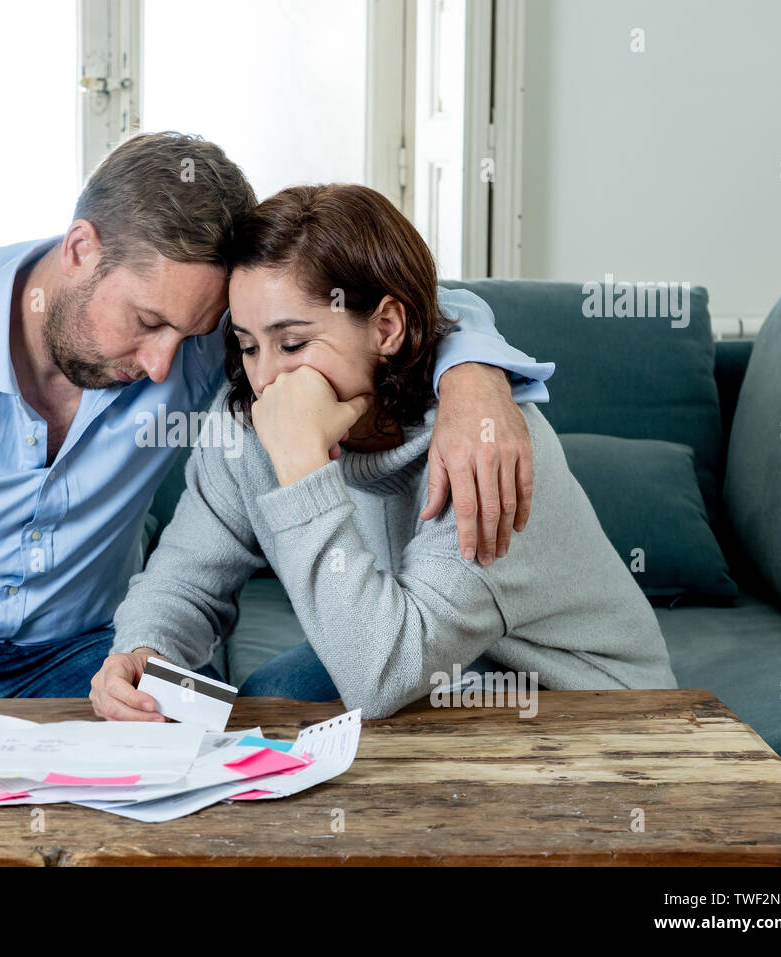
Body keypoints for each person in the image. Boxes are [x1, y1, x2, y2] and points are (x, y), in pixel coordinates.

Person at [0, 133, 553, 704]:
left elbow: (364, 302)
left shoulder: (211, 335)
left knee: (222, 749)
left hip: (84, 658)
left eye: (195, 334)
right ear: (81, 248)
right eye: (149, 323)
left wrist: (473, 370)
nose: (167, 365)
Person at [93, 183, 676, 721]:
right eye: (248, 345)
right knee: (268, 707)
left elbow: (381, 676)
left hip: (579, 705)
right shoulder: (249, 417)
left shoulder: (479, 447)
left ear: (388, 327)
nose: (268, 379)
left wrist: (302, 470)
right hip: (419, 655)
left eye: (293, 343)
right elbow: (187, 580)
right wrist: (144, 650)